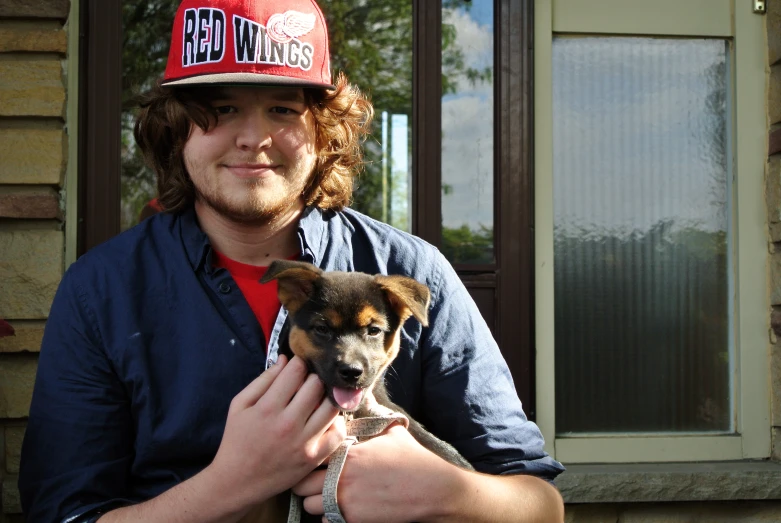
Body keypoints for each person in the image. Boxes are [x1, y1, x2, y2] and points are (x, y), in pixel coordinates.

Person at [19, 0, 565, 521]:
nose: (254, 138)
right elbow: (65, 513)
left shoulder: (412, 271)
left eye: (283, 109)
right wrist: (233, 483)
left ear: (324, 131)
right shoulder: (102, 291)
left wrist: (444, 491)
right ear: (176, 127)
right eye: (222, 108)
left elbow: (541, 505)